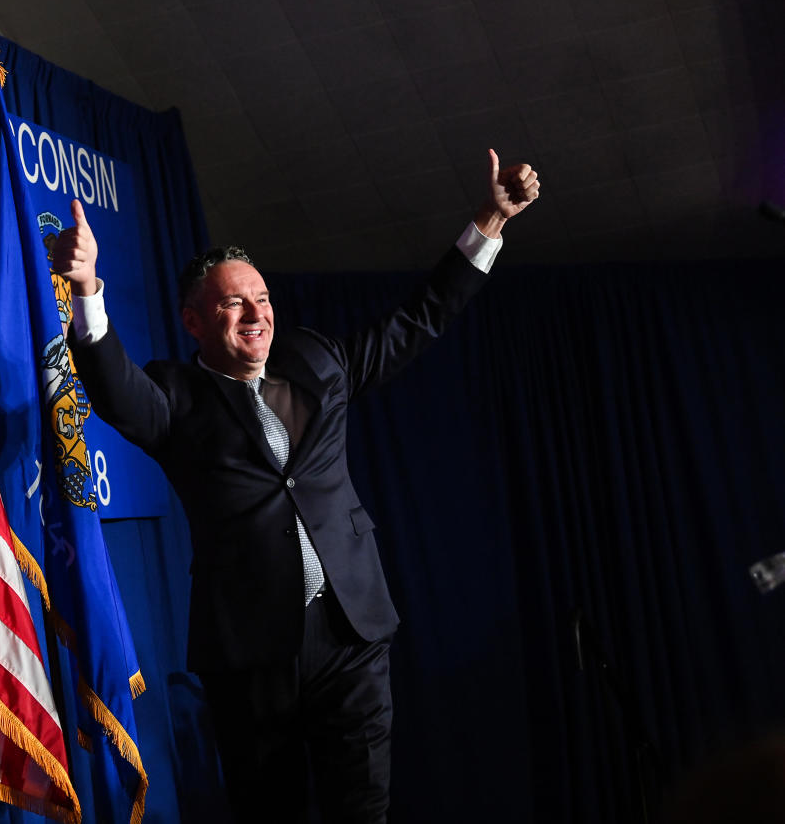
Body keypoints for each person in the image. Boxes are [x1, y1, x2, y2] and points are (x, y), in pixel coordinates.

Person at [52, 148, 540, 822]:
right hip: (252, 652)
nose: (255, 313)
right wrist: (85, 289)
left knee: (361, 811)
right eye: (232, 303)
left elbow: (418, 321)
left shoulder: (318, 360)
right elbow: (112, 387)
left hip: (351, 632)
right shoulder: (175, 396)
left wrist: (489, 220)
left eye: (262, 298)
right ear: (194, 321)